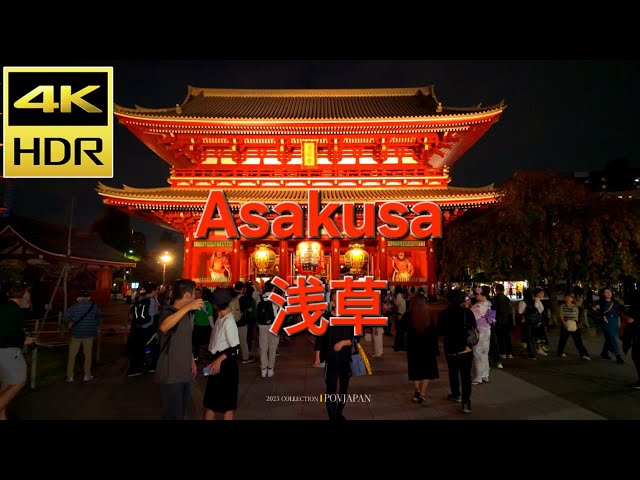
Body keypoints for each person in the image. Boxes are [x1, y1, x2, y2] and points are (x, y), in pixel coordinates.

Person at [154, 279, 202, 420]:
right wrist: (187, 308)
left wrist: (191, 361)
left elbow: (185, 341)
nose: (195, 298)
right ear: (187, 295)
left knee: (182, 412)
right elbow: (164, 327)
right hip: (170, 372)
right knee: (173, 414)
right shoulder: (168, 311)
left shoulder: (185, 315)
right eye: (194, 294)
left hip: (183, 371)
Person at [0, 283, 36, 420]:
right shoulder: (15, 310)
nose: (28, 295)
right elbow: (8, 332)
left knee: (6, 383)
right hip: (8, 351)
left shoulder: (3, 307)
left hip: (2, 351)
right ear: (22, 294)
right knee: (19, 381)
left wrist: (22, 338)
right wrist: (23, 341)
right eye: (27, 293)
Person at [317, 290, 355, 420]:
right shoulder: (326, 317)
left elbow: (356, 338)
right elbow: (320, 338)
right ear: (333, 303)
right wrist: (317, 356)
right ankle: (333, 416)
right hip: (331, 360)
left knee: (344, 388)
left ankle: (339, 412)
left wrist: (343, 343)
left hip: (345, 360)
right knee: (331, 389)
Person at [203, 287, 240, 420]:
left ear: (215, 304)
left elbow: (235, 348)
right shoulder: (221, 318)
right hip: (216, 362)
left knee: (227, 405)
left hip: (225, 364)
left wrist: (218, 360)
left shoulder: (228, 322)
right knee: (211, 404)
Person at [438, 289, 476, 414]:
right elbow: (473, 327)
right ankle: (466, 402)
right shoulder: (467, 313)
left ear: (448, 299)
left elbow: (440, 331)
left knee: (453, 372)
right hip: (465, 347)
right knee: (466, 376)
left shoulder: (444, 313)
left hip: (451, 347)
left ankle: (456, 394)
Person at [406, 294, 439, 403]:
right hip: (428, 347)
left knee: (415, 369)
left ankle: (417, 391)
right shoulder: (430, 314)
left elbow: (400, 329)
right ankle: (423, 393)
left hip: (413, 347)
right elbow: (435, 333)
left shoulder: (409, 314)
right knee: (427, 371)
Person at [65, 290, 101, 382]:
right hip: (89, 334)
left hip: (75, 334)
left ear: (78, 298)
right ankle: (87, 375)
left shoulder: (73, 307)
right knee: (88, 356)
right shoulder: (94, 307)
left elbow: (65, 318)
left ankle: (70, 376)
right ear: (89, 298)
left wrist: (70, 322)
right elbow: (98, 319)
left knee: (72, 356)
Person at [470, 286, 496, 384]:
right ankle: (485, 374)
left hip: (479, 330)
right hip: (487, 329)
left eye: (477, 294)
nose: (475, 296)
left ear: (481, 294)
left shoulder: (479, 306)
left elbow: (472, 316)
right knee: (485, 352)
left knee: (477, 353)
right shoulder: (488, 304)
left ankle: (478, 376)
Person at [592, 287, 624, 364]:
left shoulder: (616, 302)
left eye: (610, 292)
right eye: (606, 292)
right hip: (605, 322)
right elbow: (596, 314)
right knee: (612, 337)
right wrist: (595, 309)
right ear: (603, 294)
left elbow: (621, 311)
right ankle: (617, 355)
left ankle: (604, 353)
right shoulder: (600, 303)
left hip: (615, 321)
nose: (608, 293)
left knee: (609, 338)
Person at [557, 293, 590, 360]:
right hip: (565, 324)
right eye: (566, 297)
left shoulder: (575, 307)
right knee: (563, 340)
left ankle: (583, 354)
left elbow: (576, 316)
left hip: (573, 325)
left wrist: (573, 320)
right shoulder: (562, 306)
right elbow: (561, 315)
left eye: (570, 297)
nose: (568, 299)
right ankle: (560, 352)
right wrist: (564, 324)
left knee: (578, 340)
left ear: (572, 299)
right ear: (564, 298)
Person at [257, 281, 280, 378]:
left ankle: (263, 370)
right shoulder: (276, 298)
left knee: (263, 348)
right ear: (273, 288)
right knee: (272, 348)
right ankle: (270, 369)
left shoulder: (259, 297)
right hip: (274, 325)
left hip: (262, 325)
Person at [192, 287, 213, 362]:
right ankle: (205, 357)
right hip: (206, 327)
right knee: (206, 343)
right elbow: (210, 317)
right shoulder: (209, 305)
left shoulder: (197, 304)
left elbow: (194, 316)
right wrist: (213, 327)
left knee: (197, 343)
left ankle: (197, 357)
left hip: (197, 326)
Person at [493, 284, 514, 360]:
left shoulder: (495, 299)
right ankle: (510, 353)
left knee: (500, 337)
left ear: (497, 289)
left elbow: (494, 310)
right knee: (507, 337)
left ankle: (503, 353)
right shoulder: (506, 298)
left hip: (498, 320)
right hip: (507, 320)